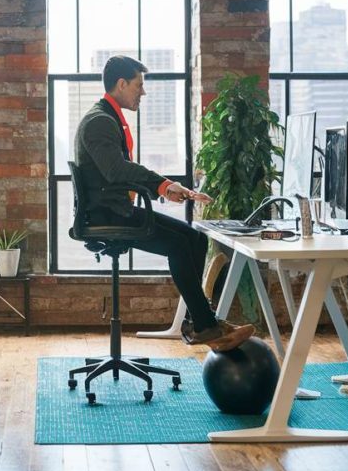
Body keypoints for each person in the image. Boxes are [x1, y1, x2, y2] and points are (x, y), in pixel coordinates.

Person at [74, 55, 254, 352]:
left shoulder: (106, 118)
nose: (142, 93)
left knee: (194, 237)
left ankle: (201, 322)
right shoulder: (99, 122)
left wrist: (164, 189)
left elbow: (119, 173)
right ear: (121, 84)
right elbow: (116, 171)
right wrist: (162, 184)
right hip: (109, 215)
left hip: (118, 209)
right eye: (138, 85)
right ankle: (205, 324)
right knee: (178, 244)